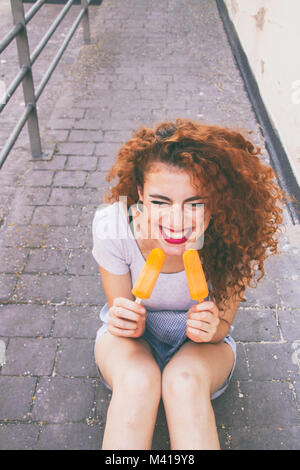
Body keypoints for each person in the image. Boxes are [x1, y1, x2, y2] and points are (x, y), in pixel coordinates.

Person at [92, 118, 285, 450]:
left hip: (203, 349)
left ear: (215, 201)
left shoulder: (232, 235)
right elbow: (119, 315)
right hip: (131, 343)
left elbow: (223, 325)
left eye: (195, 203)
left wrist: (214, 328)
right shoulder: (112, 226)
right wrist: (126, 320)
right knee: (139, 381)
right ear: (140, 193)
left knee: (182, 382)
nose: (177, 220)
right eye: (160, 201)